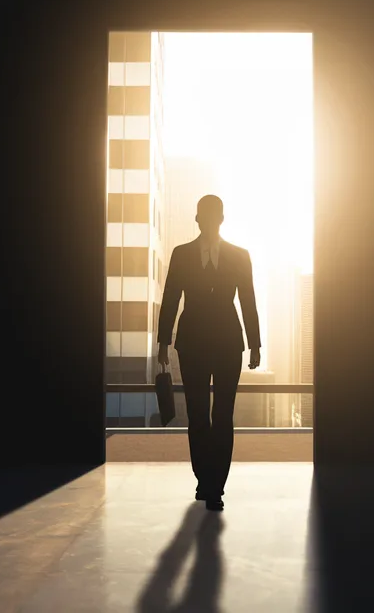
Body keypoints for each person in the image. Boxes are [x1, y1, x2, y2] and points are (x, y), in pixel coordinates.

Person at [157, 195, 261, 512]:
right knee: (198, 414)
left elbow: (248, 300)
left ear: (221, 219)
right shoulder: (182, 254)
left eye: (214, 215)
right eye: (206, 215)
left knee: (223, 416)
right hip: (192, 345)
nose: (210, 221)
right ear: (198, 219)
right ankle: (204, 480)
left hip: (229, 344)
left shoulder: (239, 256)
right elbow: (170, 298)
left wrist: (255, 344)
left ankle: (216, 486)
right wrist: (163, 342)